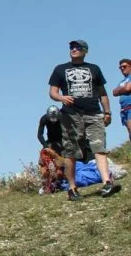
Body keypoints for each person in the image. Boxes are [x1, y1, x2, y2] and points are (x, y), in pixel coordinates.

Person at [49, 40, 119, 199]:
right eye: (71, 47)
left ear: (85, 51)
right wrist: (61, 97)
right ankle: (72, 189)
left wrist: (107, 113)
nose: (73, 49)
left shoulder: (94, 69)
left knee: (99, 147)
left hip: (94, 113)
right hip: (70, 115)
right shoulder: (60, 69)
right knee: (71, 151)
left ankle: (107, 182)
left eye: (77, 47)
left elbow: (102, 92)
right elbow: (52, 92)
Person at [114, 58, 131, 142]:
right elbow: (114, 92)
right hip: (124, 109)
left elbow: (128, 88)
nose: (122, 68)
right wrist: (123, 88)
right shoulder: (123, 81)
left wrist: (121, 89)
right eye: (120, 67)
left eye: (124, 66)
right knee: (129, 132)